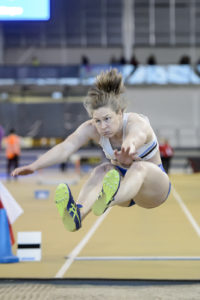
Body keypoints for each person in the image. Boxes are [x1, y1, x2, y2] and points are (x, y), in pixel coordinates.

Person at [12, 69, 171, 232]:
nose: (103, 127)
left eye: (107, 119)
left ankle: (110, 198)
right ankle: (77, 214)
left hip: (153, 189)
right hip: (125, 188)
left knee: (139, 167)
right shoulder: (92, 128)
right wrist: (34, 166)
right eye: (98, 121)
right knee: (102, 170)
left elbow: (134, 138)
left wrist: (128, 149)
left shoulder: (136, 123)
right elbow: (65, 148)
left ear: (119, 113)